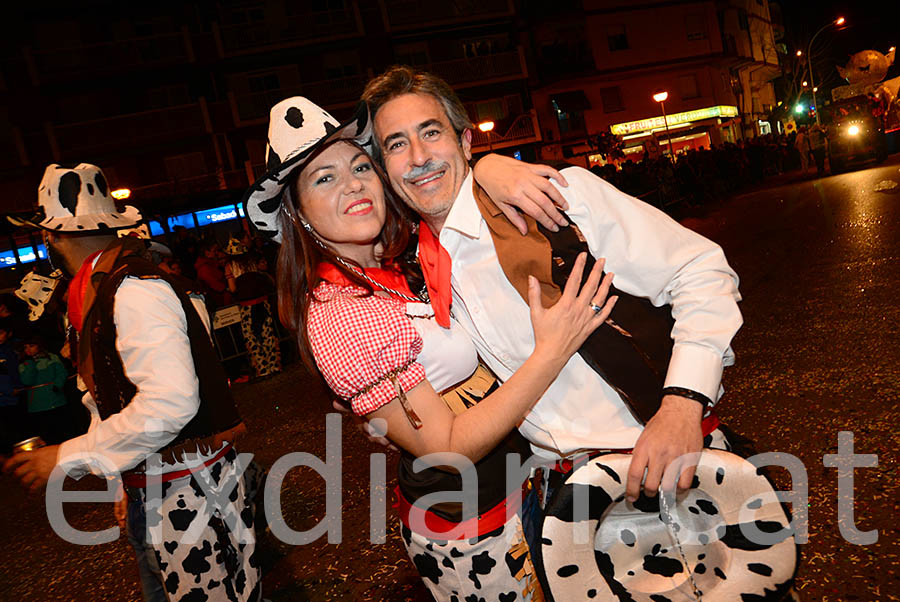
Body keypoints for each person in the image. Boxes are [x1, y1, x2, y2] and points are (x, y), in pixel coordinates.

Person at [244, 96, 615, 601]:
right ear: (298, 213)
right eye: (323, 178)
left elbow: (441, 181)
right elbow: (449, 448)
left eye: (359, 166)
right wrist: (551, 350)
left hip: (513, 490)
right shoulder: (341, 311)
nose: (353, 183)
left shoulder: (389, 270)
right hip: (473, 527)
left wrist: (489, 165)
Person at [361, 65, 744, 505]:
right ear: (384, 168)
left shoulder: (555, 197)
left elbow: (699, 269)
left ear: (465, 141)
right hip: (555, 497)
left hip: (664, 461)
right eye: (396, 144)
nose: (417, 157)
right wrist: (384, 411)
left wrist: (681, 404)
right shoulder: (414, 271)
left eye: (431, 133)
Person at [3, 163, 260, 602]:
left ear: (53, 237)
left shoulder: (134, 289)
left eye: (45, 235)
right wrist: (122, 480)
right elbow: (110, 399)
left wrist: (66, 457)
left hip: (189, 490)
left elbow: (169, 403)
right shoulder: (103, 290)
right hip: (166, 485)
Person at [223, 236, 282, 379]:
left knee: (252, 338)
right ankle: (274, 366)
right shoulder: (251, 262)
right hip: (262, 302)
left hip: (246, 306)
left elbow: (232, 288)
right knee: (268, 334)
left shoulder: (230, 266)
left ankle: (263, 369)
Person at [18, 334, 69, 445]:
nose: (28, 350)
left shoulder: (52, 357)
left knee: (62, 430)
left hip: (55, 400)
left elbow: (62, 372)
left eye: (31, 346)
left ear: (39, 346)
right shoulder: (23, 364)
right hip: (37, 405)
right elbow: (27, 381)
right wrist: (30, 364)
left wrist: (57, 385)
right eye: (25, 347)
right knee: (46, 434)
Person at [0, 319, 24, 454]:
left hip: (16, 397)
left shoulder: (14, 350)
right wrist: (8, 390)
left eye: (1, 333)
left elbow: (17, 372)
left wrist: (18, 387)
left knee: (16, 428)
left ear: (8, 334)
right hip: (4, 397)